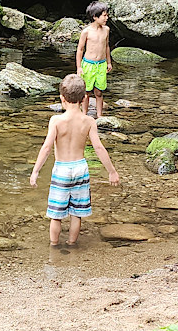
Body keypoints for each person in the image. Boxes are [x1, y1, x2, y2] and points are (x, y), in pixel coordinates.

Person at [30, 74, 121, 246]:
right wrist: (112, 171)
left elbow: (47, 147)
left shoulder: (56, 120)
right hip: (80, 168)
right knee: (76, 213)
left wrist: (35, 171)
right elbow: (99, 148)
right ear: (85, 97)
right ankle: (72, 244)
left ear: (62, 98)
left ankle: (54, 245)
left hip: (62, 169)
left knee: (56, 215)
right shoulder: (88, 121)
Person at [76, 1, 113, 118]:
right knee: (86, 92)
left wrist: (109, 62)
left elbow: (106, 46)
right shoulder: (86, 32)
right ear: (95, 17)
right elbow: (80, 50)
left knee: (99, 92)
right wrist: (79, 67)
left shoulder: (106, 30)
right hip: (88, 64)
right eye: (104, 15)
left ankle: (99, 115)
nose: (106, 18)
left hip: (101, 64)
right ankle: (84, 115)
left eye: (107, 15)